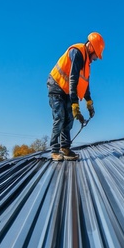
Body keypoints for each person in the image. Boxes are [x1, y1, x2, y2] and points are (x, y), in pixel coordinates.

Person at [46, 32, 105, 161]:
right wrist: (75, 103)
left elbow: (85, 84)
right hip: (56, 85)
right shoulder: (77, 52)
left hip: (67, 90)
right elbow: (73, 79)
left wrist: (89, 103)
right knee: (60, 117)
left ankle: (65, 148)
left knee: (69, 118)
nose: (94, 59)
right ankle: (54, 150)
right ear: (91, 47)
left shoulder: (87, 64)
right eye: (95, 56)